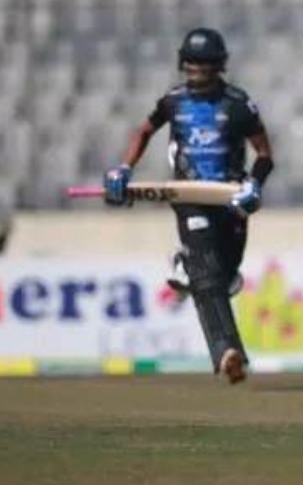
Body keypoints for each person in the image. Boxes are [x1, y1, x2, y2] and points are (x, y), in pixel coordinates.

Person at [103, 27, 273, 385]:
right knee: (207, 277)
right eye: (191, 62)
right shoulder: (173, 101)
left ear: (218, 65)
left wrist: (254, 184)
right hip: (189, 198)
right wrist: (124, 168)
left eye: (204, 63)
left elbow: (264, 154)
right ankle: (228, 353)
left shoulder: (238, 104)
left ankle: (186, 261)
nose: (196, 70)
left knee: (225, 275)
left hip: (230, 199)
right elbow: (144, 131)